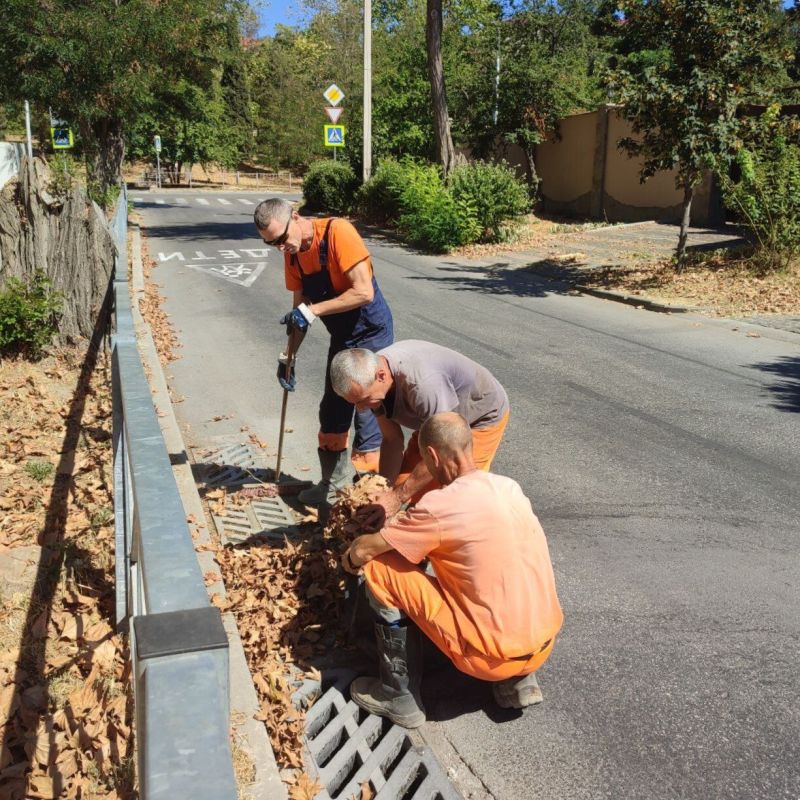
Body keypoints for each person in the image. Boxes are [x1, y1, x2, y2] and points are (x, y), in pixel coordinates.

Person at [341, 412, 563, 728]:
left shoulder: (438, 507)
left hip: (486, 659)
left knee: (380, 567)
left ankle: (397, 694)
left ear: (431, 455)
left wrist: (347, 563)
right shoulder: (509, 487)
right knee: (498, 565)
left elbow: (366, 549)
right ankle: (518, 682)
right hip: (543, 644)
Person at [253, 198, 394, 508]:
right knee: (332, 410)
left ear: (295, 216)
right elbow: (298, 312)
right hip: (343, 336)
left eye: (280, 238)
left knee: (365, 407)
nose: (279, 247)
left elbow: (363, 292)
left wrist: (313, 310)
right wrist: (288, 358)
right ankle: (331, 486)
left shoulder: (337, 233)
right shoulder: (292, 258)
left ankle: (367, 496)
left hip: (371, 331)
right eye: (271, 243)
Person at [330, 340, 509, 524]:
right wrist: (385, 489)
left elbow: (443, 450)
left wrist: (397, 498)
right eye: (355, 403)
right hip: (434, 422)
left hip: (478, 417)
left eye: (364, 400)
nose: (360, 409)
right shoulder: (371, 378)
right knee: (404, 483)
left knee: (455, 492)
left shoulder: (422, 384)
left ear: (381, 376)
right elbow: (392, 440)